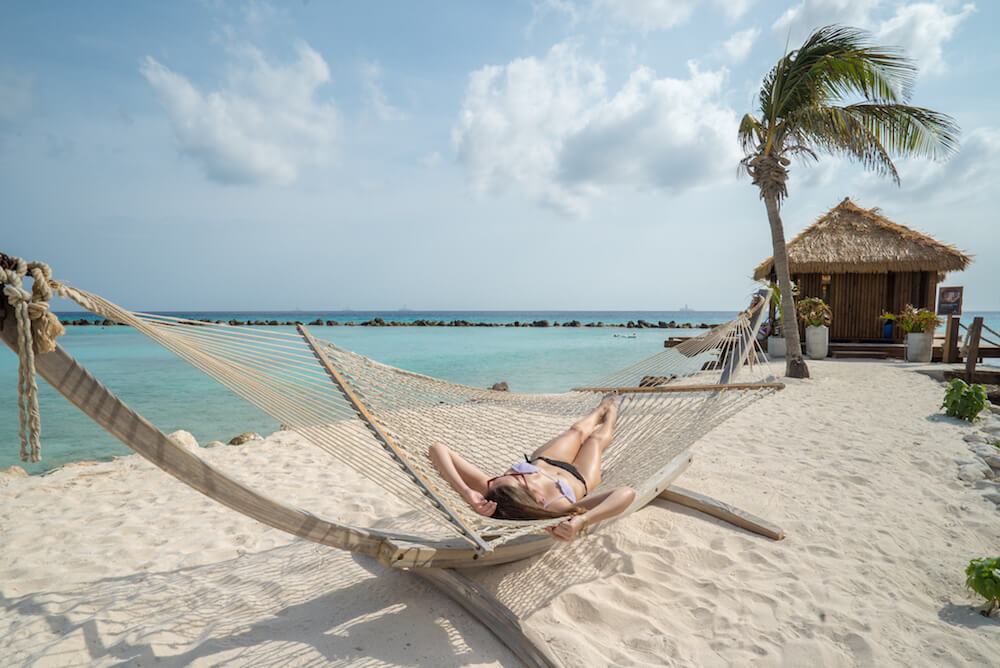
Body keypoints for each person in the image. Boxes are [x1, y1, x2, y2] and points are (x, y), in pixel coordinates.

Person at [428, 393, 635, 542]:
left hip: (548, 459)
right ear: (530, 493)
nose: (510, 473)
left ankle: (601, 408)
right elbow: (626, 493)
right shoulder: (556, 509)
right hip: (580, 476)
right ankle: (611, 414)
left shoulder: (492, 488)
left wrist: (466, 492)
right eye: (517, 477)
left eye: (516, 473)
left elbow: (437, 449)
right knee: (596, 440)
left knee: (577, 430)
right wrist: (582, 521)